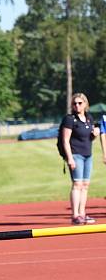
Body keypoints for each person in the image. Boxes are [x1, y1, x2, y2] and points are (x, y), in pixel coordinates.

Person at [62, 93, 99, 225]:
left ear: (85, 104)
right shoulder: (70, 119)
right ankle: (75, 215)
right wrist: (70, 158)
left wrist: (95, 134)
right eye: (74, 103)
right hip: (76, 155)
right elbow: (65, 140)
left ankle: (82, 213)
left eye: (79, 103)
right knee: (77, 184)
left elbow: (89, 137)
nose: (77, 106)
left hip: (88, 155)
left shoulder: (89, 118)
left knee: (85, 185)